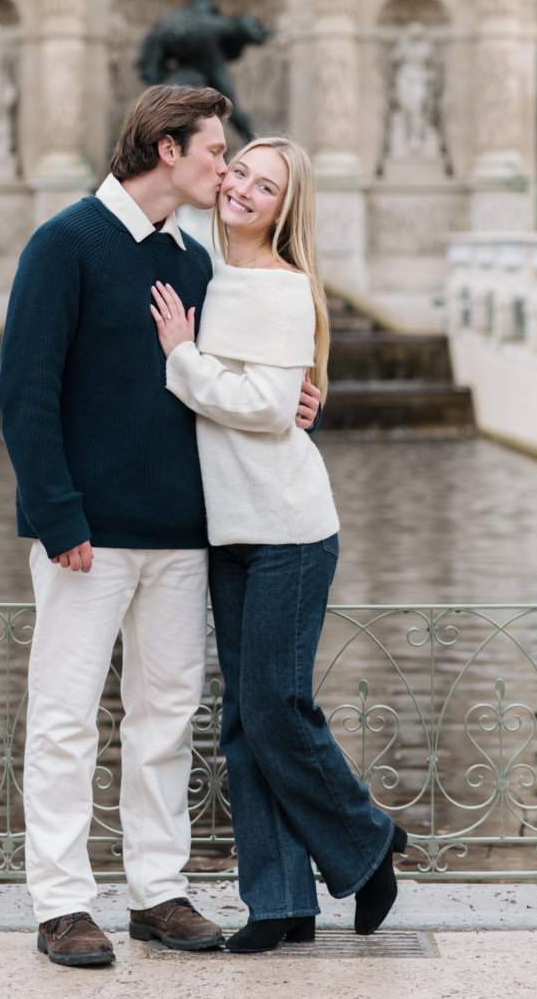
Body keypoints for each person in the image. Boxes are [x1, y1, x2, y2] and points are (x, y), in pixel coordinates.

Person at [0, 88, 321, 968]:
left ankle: (157, 891)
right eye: (217, 151)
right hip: (86, 536)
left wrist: (294, 397)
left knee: (166, 717)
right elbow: (23, 395)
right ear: (168, 149)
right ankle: (62, 903)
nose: (226, 169)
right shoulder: (64, 244)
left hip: (182, 534)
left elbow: (226, 381)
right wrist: (58, 515)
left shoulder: (195, 263)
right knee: (65, 717)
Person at [150, 135, 407, 954]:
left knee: (273, 707)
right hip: (231, 530)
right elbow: (274, 397)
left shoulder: (282, 287)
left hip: (289, 531)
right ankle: (280, 902)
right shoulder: (208, 271)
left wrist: (180, 357)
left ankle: (368, 843)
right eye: (240, 173)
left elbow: (266, 408)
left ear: (286, 208)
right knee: (242, 722)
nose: (246, 189)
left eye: (267, 185)